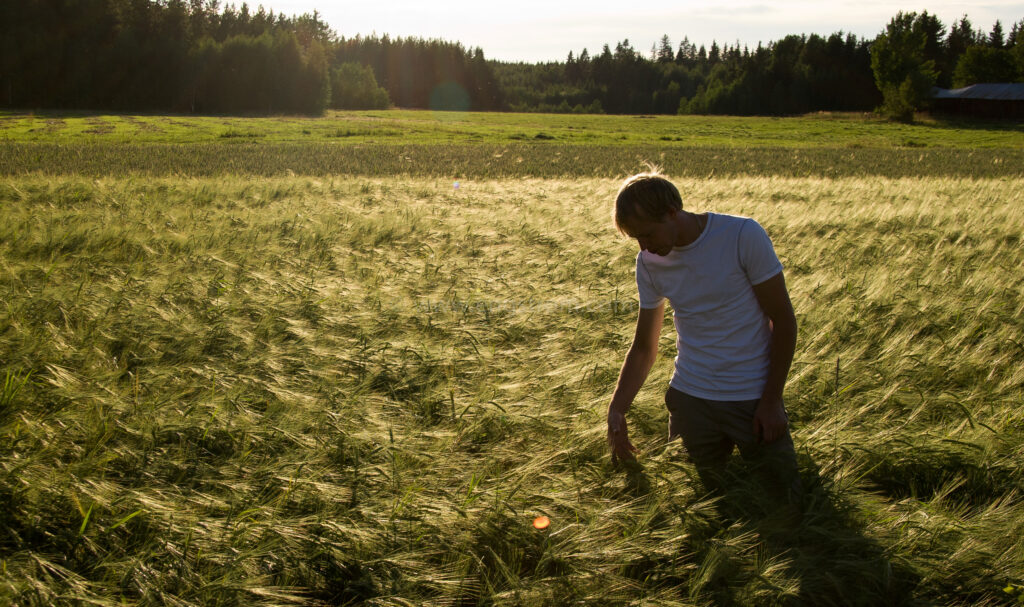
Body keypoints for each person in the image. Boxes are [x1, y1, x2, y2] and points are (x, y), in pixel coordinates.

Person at [606, 171, 800, 502]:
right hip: (690, 402)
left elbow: (783, 320)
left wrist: (771, 402)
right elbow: (643, 348)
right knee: (694, 504)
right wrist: (617, 408)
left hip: (752, 398)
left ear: (672, 211)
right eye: (636, 239)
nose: (644, 247)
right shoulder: (649, 263)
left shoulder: (741, 235)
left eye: (648, 234)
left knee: (784, 498)